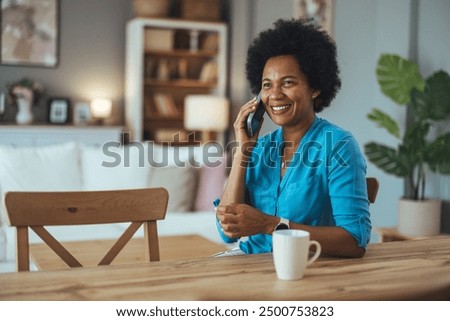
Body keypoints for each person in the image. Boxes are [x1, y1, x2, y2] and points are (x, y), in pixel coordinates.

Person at [214, 18, 371, 258]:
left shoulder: (338, 146)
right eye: (267, 85)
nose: (275, 95)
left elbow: (354, 242)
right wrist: (242, 152)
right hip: (251, 264)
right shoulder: (259, 148)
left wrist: (270, 224)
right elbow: (227, 232)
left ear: (314, 87)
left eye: (287, 82)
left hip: (307, 268)